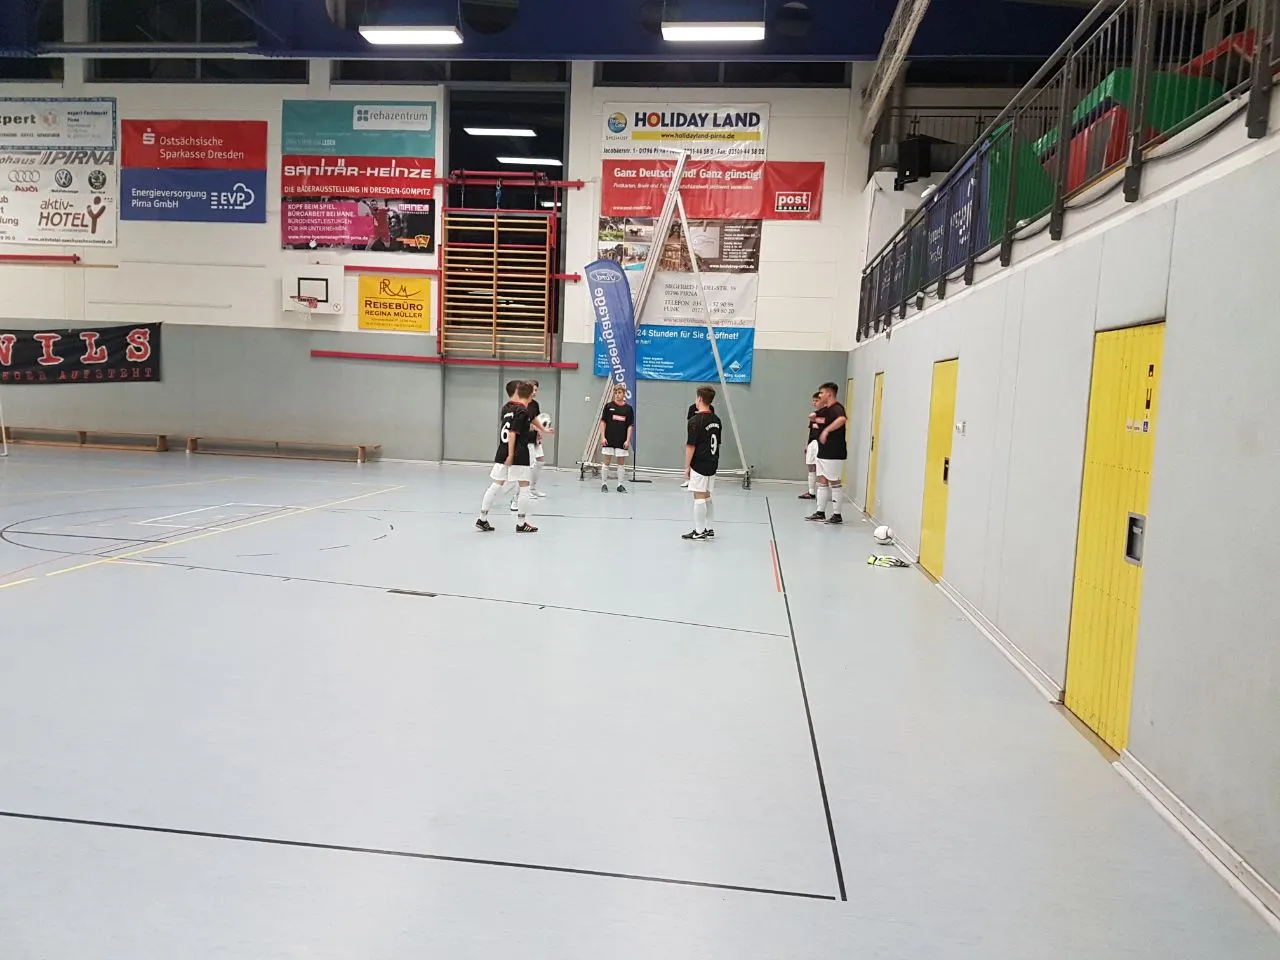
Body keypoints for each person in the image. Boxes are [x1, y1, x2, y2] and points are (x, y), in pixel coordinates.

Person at [477, 380, 538, 534]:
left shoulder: (506, 409)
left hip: (502, 451)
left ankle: (482, 518)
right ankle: (521, 523)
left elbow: (516, 427)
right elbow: (513, 433)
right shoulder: (522, 410)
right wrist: (512, 455)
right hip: (518, 453)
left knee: (495, 485)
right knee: (524, 487)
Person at [682, 386, 722, 541]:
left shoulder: (695, 421)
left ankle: (699, 531)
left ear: (699, 399)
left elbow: (690, 446)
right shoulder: (716, 420)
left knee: (698, 496)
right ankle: (709, 528)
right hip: (712, 462)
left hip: (699, 463)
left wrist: (687, 467)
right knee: (707, 495)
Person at [805, 381, 848, 525]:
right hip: (823, 451)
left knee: (834, 481)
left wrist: (827, 431)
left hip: (834, 451)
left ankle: (837, 514)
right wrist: (815, 418)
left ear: (829, 394)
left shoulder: (837, 408)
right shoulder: (826, 410)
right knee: (822, 481)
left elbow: (842, 419)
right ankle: (820, 512)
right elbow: (816, 416)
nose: (820, 395)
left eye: (822, 393)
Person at [512, 379, 553, 509]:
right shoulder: (521, 404)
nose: (535, 392)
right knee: (526, 468)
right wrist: (537, 428)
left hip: (534, 438)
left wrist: (540, 432)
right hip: (525, 440)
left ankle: (532, 488)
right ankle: (518, 496)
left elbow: (537, 420)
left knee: (540, 461)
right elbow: (523, 424)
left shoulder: (535, 404)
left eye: (536, 390)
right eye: (533, 390)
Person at [599, 383, 635, 493]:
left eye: (619, 392)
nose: (617, 395)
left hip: (621, 440)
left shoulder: (628, 409)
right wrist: (603, 437)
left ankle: (620, 485)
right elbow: (603, 422)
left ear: (624, 394)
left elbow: (630, 426)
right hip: (609, 439)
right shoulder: (608, 406)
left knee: (621, 463)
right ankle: (604, 484)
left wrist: (627, 440)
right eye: (615, 393)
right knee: (606, 461)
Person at [800, 391, 822, 500]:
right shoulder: (814, 415)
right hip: (812, 443)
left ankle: (823, 492)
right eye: (813, 401)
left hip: (821, 443)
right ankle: (811, 492)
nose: (814, 403)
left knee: (822, 468)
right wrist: (807, 444)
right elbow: (811, 432)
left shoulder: (827, 415)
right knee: (811, 466)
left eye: (816, 400)